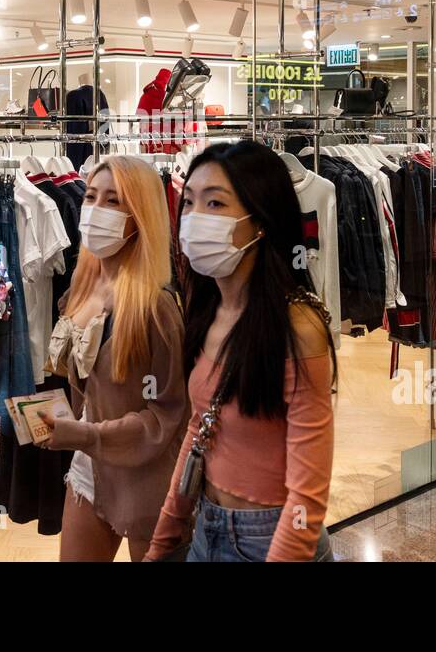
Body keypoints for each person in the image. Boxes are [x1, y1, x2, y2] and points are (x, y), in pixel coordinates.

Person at [144, 140, 337, 562]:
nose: (194, 220)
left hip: (271, 536)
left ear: (260, 220)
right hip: (206, 528)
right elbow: (199, 429)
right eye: (190, 203)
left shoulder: (298, 328)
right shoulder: (205, 311)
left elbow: (309, 490)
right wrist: (164, 537)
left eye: (215, 204)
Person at [38, 156, 187, 562]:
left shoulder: (155, 307)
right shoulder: (81, 288)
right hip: (89, 472)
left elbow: (166, 416)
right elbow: (85, 389)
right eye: (89, 196)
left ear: (139, 216)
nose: (93, 210)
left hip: (146, 482)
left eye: (113, 201)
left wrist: (86, 435)